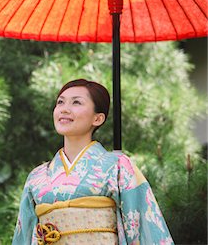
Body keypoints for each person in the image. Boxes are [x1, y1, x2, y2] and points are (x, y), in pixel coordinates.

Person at [12, 78, 173, 245]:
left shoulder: (117, 166)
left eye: (76, 103)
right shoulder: (36, 177)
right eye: (60, 102)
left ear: (97, 119)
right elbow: (23, 237)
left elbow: (145, 227)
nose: (64, 109)